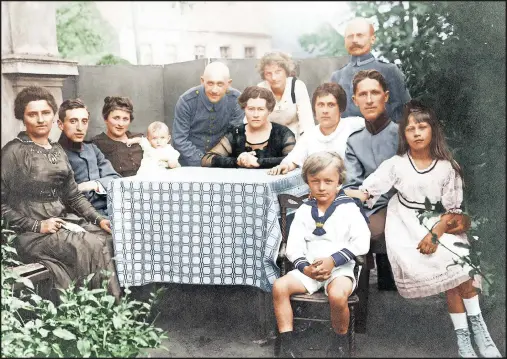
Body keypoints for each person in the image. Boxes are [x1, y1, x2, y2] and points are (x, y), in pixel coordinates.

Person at [345, 100, 501, 358]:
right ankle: (466, 338)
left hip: (439, 222)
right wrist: (335, 192)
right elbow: (367, 191)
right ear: (404, 135)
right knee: (455, 273)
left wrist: (435, 234)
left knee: (458, 267)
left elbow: (452, 211)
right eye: (410, 129)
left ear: (433, 131)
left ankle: (477, 330)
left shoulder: (446, 167)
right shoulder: (396, 164)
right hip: (405, 223)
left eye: (422, 127)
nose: (417, 133)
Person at [1, 86, 121, 301]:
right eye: (32, 114)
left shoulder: (56, 149)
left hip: (62, 221)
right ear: (23, 117)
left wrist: (99, 219)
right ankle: (97, 312)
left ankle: (111, 308)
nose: (40, 119)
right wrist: (38, 225)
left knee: (108, 237)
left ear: (53, 116)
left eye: (45, 113)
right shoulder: (13, 152)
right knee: (90, 246)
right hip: (31, 233)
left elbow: (73, 195)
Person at [272, 151, 370, 358]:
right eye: (315, 181)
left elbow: (362, 242)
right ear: (307, 181)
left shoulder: (349, 209)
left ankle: (339, 342)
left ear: (339, 181)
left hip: (339, 269)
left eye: (328, 181)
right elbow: (294, 246)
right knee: (279, 286)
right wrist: (304, 267)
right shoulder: (305, 210)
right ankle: (289, 345)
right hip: (309, 269)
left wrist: (333, 261)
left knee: (337, 295)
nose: (322, 187)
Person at [342, 69, 400, 291]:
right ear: (355, 100)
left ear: (385, 96)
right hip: (368, 207)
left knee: (363, 230)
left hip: (399, 206)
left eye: (374, 93)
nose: (369, 100)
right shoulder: (355, 141)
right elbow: (351, 185)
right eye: (362, 94)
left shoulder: (403, 134)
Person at [267, 82, 364, 176]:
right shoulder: (310, 135)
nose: (325, 111)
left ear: (341, 108)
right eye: (320, 105)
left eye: (331, 105)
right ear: (314, 108)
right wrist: (286, 166)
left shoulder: (355, 126)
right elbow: (293, 159)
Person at [329, 17, 411, 123]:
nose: (354, 40)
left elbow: (404, 113)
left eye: (360, 35)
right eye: (350, 36)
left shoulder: (390, 71)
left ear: (372, 39)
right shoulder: (337, 77)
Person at [201, 86, 295, 168]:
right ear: (244, 108)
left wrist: (258, 162)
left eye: (261, 109)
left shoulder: (282, 133)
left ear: (269, 110)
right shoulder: (236, 133)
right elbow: (206, 159)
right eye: (251, 109)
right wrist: (238, 161)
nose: (255, 114)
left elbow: (294, 160)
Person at [172, 61, 245, 166]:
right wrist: (202, 161)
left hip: (222, 161)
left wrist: (216, 161)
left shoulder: (236, 100)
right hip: (189, 163)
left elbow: (233, 135)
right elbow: (179, 139)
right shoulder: (186, 101)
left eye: (220, 84)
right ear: (202, 81)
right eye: (210, 83)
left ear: (229, 83)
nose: (214, 90)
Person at [57, 98, 120, 216]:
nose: (80, 128)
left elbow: (115, 179)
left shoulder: (92, 149)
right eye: (73, 121)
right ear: (60, 124)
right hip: (80, 216)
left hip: (109, 210)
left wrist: (93, 184)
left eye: (84, 121)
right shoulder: (55, 153)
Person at [256, 51, 315, 140]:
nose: (274, 78)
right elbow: (251, 121)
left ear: (286, 72)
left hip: (296, 140)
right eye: (268, 73)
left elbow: (307, 123)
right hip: (268, 141)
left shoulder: (297, 86)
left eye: (278, 72)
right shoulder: (260, 89)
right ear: (263, 75)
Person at [91, 96, 143, 177]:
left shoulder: (140, 139)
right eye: (116, 118)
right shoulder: (96, 144)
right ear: (106, 119)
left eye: (125, 119)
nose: (121, 124)